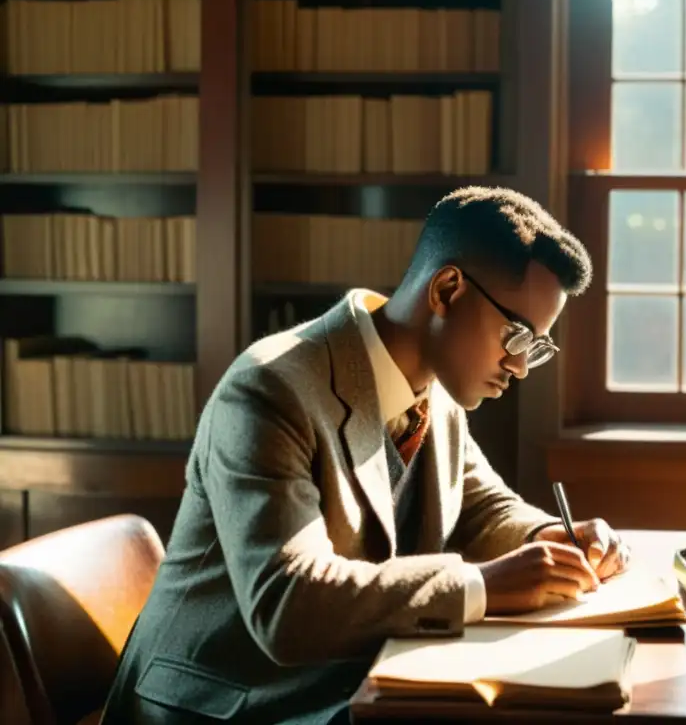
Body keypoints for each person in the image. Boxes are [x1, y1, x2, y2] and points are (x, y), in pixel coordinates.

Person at [99, 186, 630, 724]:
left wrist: (549, 537)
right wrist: (484, 585)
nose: (519, 367)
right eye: (517, 336)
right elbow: (287, 602)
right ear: (446, 290)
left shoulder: (437, 397)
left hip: (337, 684)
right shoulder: (268, 389)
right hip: (220, 704)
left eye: (536, 347)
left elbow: (482, 508)